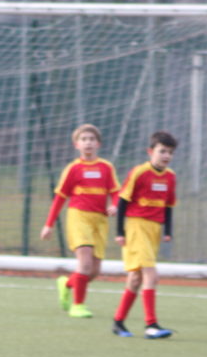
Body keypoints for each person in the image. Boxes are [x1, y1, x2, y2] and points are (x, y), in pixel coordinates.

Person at [40, 123, 120, 319]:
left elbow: (116, 192)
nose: (88, 143)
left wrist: (115, 205)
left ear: (98, 144)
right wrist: (48, 224)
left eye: (92, 139)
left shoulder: (106, 167)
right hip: (79, 217)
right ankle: (78, 305)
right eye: (84, 139)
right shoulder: (73, 169)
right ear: (77, 144)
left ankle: (66, 283)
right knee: (84, 264)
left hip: (100, 221)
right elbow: (60, 198)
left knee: (93, 271)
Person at [111, 131, 178, 340]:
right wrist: (120, 232)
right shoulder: (139, 172)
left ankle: (118, 321)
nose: (166, 156)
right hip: (136, 226)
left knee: (135, 278)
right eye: (162, 151)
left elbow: (168, 206)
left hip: (154, 229)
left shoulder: (170, 177)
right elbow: (122, 201)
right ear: (151, 152)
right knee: (151, 274)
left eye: (170, 152)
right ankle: (151, 325)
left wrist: (168, 231)